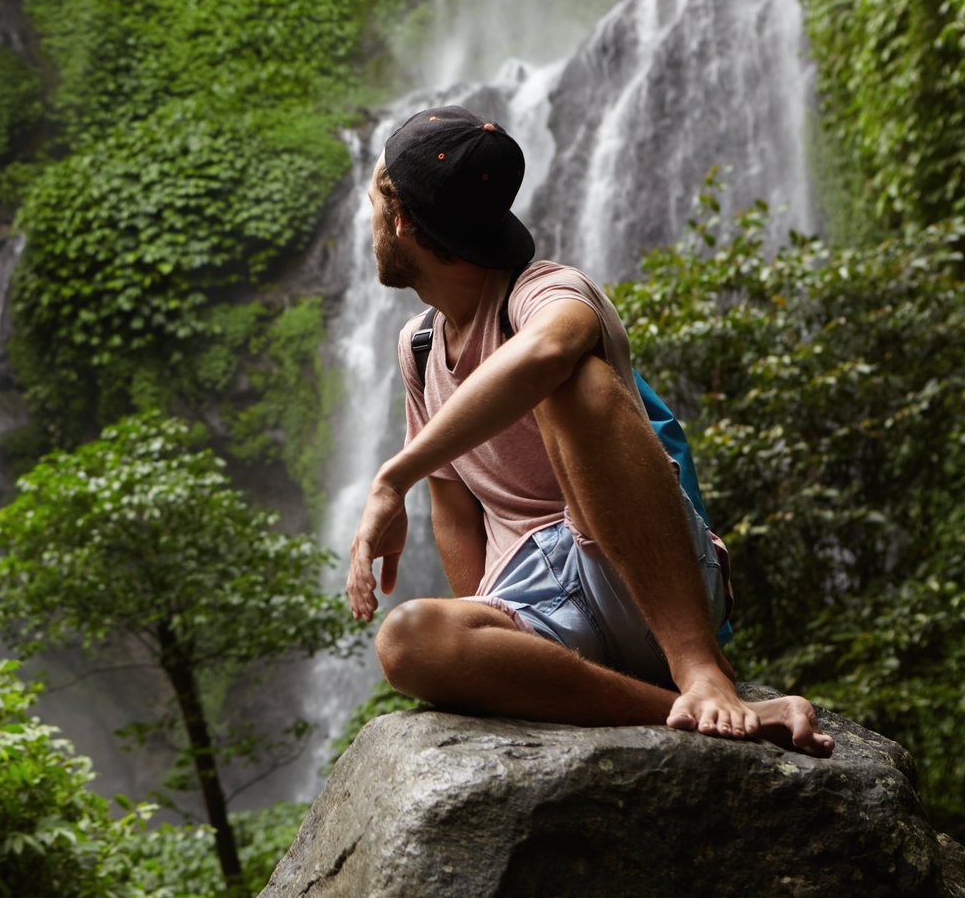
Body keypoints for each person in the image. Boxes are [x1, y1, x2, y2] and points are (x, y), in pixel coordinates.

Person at [344, 105, 833, 756]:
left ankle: (701, 669)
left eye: (377, 199)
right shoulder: (421, 346)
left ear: (402, 219)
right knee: (404, 640)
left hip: (638, 574)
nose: (369, 219)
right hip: (541, 603)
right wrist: (496, 633)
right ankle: (692, 710)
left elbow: (552, 351)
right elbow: (455, 510)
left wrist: (391, 475)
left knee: (577, 382)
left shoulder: (545, 290)